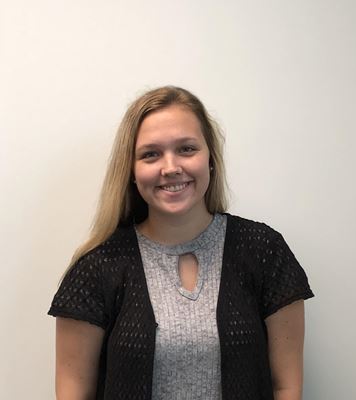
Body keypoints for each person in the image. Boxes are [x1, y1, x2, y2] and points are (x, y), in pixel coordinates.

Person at [48, 86, 314, 400]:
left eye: (186, 149)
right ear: (131, 170)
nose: (171, 167)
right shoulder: (97, 267)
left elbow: (286, 387)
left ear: (210, 158)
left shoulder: (263, 251)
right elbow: (73, 391)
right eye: (150, 154)